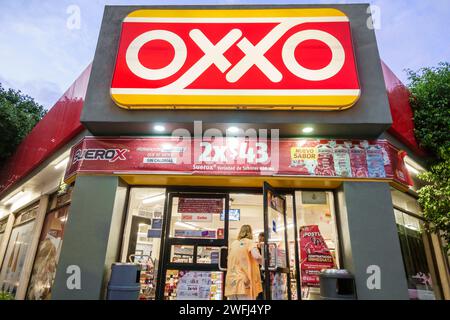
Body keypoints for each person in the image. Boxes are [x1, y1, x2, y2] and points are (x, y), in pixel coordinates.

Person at [225, 225, 263, 300]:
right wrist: (266, 264)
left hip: (231, 281)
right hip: (244, 282)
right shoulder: (250, 242)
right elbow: (257, 256)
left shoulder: (234, 243)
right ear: (250, 232)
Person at [256, 232, 265, 300]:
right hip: (258, 271)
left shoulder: (266, 249)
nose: (260, 242)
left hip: (263, 271)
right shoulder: (255, 249)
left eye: (261, 240)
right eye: (260, 240)